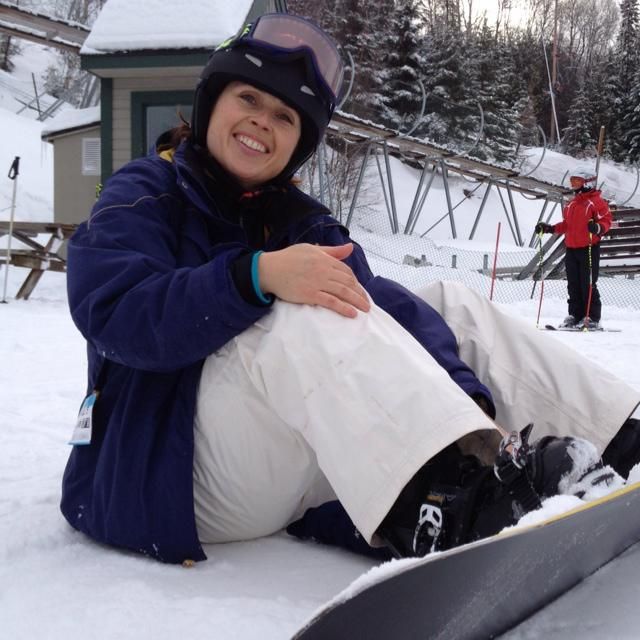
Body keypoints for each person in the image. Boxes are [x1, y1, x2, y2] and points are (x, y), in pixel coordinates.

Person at [61, 14, 640, 565]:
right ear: (211, 103)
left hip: (278, 469)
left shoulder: (301, 221)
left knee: (449, 305)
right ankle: (447, 503)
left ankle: (620, 443)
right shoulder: (147, 191)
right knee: (302, 306)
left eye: (285, 117)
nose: (262, 121)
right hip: (166, 474)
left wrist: (467, 402)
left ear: (297, 144)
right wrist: (254, 276)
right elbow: (116, 314)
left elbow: (388, 312)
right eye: (249, 99)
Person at [535, 168, 612, 330]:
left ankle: (592, 317)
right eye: (572, 181)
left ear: (588, 182)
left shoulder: (596, 202)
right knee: (573, 284)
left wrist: (597, 228)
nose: (573, 185)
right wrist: (549, 228)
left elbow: (606, 221)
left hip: (589, 248)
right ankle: (575, 315)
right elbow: (567, 225)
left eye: (577, 181)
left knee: (588, 283)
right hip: (572, 249)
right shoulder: (572, 204)